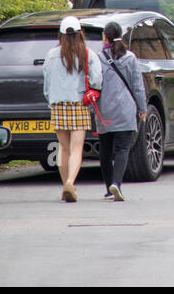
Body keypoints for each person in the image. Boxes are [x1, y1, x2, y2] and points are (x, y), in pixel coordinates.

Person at [43, 16, 102, 203]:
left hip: (58, 103)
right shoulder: (87, 53)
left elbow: (47, 84)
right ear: (79, 33)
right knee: (77, 148)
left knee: (63, 147)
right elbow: (96, 80)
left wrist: (50, 99)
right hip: (78, 103)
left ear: (60, 35)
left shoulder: (51, 55)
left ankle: (65, 185)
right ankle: (71, 182)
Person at [96, 20, 146, 202]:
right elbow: (137, 86)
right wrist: (142, 108)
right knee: (122, 149)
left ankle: (109, 187)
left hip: (105, 110)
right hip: (125, 109)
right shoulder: (130, 57)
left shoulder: (98, 57)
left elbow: (94, 82)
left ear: (105, 37)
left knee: (105, 150)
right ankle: (116, 183)